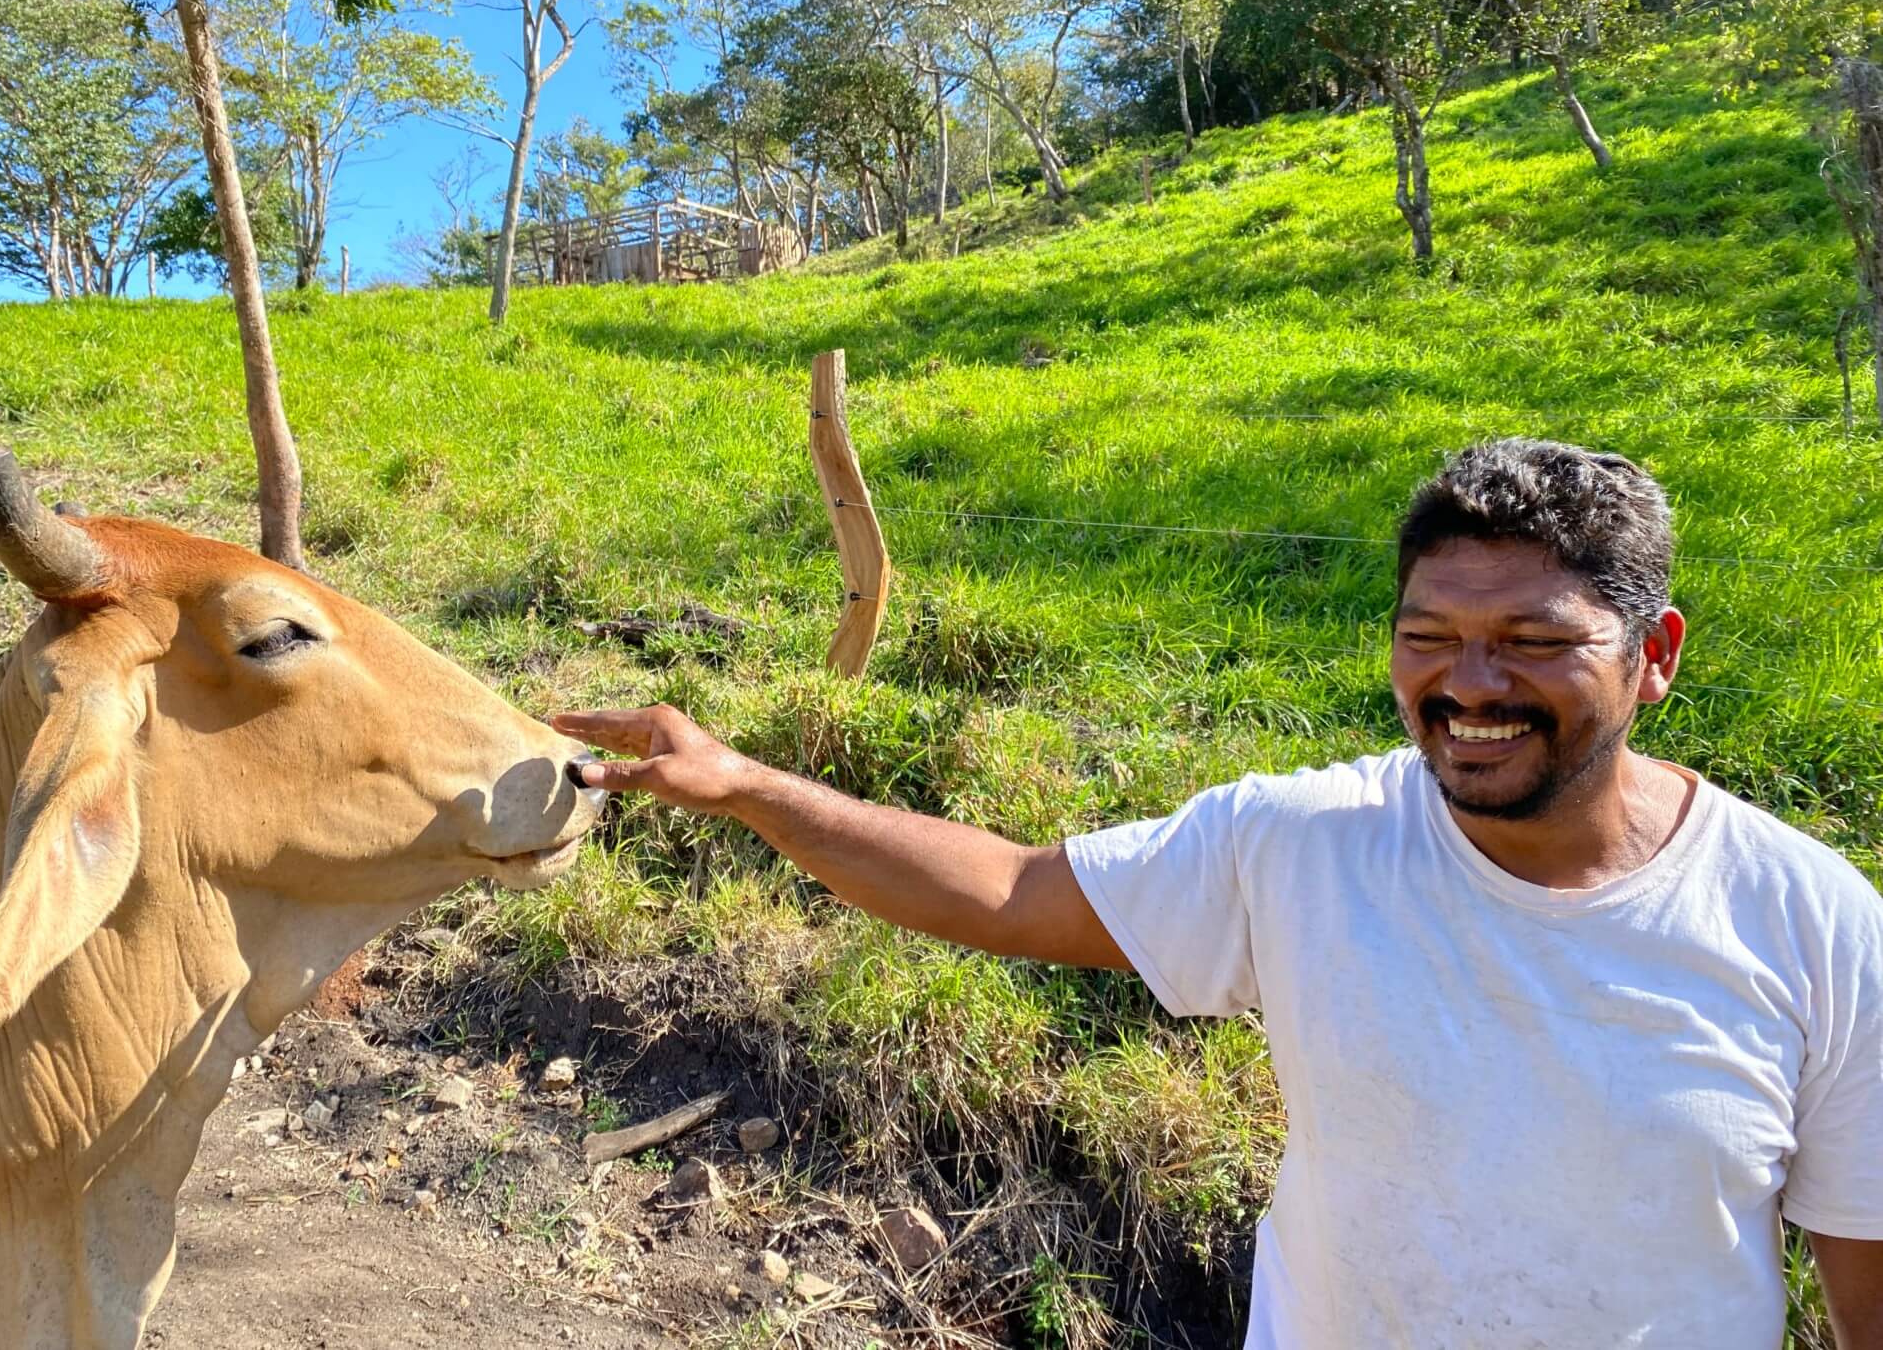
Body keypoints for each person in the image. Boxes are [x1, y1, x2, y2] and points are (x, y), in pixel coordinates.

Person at [553, 438, 1883, 1349]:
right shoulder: (1307, 845)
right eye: (1429, 639)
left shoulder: (1812, 926)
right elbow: (1014, 890)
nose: (1470, 685)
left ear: (1654, 657)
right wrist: (740, 784)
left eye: (1534, 644)